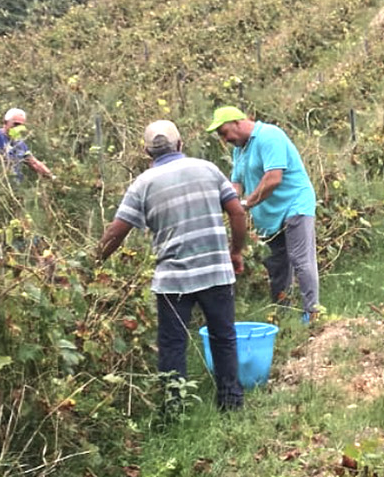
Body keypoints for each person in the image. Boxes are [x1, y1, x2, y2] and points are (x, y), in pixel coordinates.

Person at [97, 120, 249, 412]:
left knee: (172, 344)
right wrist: (236, 251)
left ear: (146, 152)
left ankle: (173, 408)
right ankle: (231, 403)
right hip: (216, 272)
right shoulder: (208, 169)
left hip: (173, 281)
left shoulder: (142, 184)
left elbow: (117, 232)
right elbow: (237, 212)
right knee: (223, 337)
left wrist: (94, 262)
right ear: (180, 144)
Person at [208, 105, 319, 322]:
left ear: (236, 122)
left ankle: (312, 314)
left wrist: (246, 204)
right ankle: (282, 314)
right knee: (276, 265)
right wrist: (226, 206)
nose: (224, 139)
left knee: (299, 259)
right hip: (269, 214)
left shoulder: (269, 136)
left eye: (224, 133)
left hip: (295, 204)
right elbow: (235, 185)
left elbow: (274, 178)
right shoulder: (239, 150)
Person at [0, 106, 54, 182]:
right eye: (15, 124)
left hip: (15, 185)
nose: (17, 128)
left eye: (21, 125)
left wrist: (52, 177)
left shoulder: (19, 142)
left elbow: (33, 163)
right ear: (5, 122)